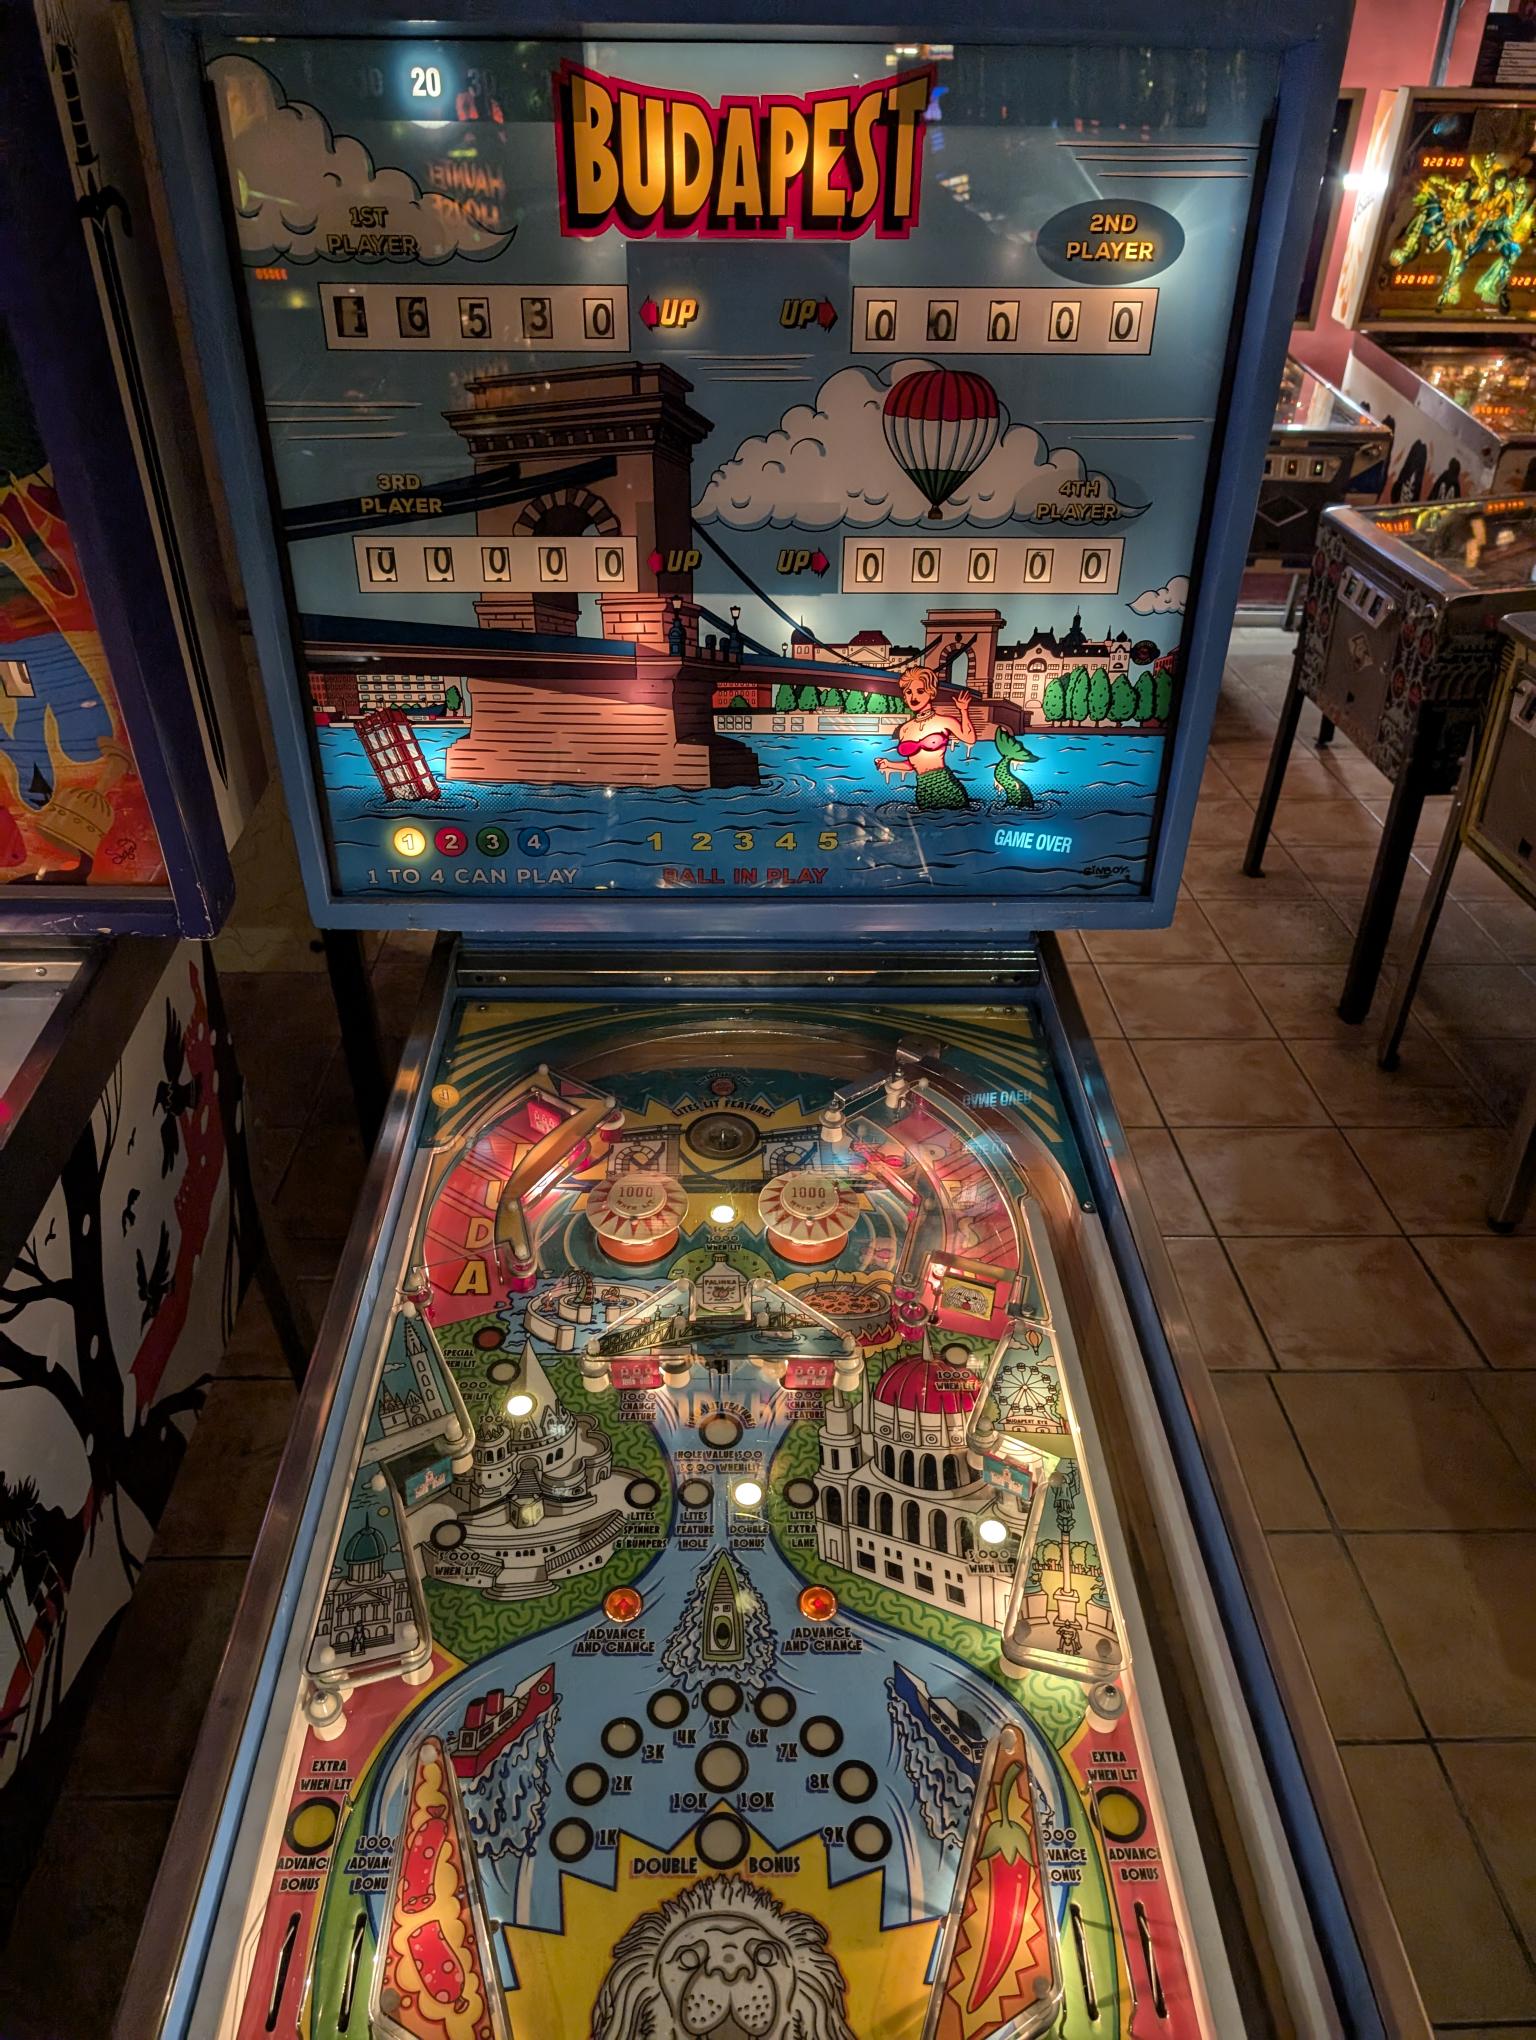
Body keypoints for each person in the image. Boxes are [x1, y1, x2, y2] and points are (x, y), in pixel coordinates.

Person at [878, 664, 976, 810]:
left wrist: (963, 710)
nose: (914, 697)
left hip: (945, 785)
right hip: (923, 789)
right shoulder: (905, 729)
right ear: (904, 696)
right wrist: (888, 764)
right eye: (909, 692)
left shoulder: (944, 721)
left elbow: (970, 738)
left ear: (931, 693)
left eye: (920, 691)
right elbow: (912, 764)